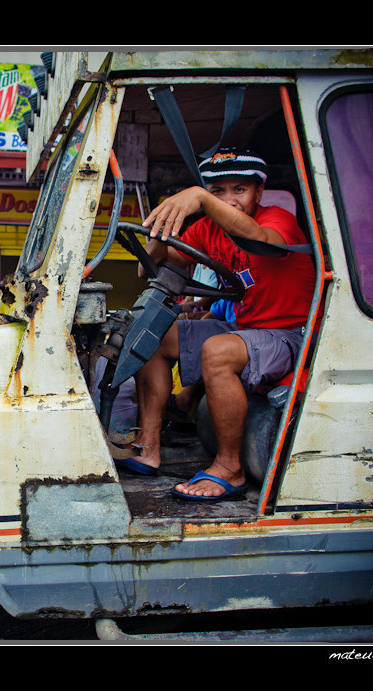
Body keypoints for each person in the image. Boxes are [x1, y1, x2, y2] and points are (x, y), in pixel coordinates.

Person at [117, 148, 315, 501]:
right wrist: (160, 232)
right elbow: (158, 266)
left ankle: (230, 468)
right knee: (151, 335)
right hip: (246, 330)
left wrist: (200, 198)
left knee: (218, 350)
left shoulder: (277, 219)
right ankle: (148, 447)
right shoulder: (208, 229)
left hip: (291, 336)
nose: (229, 199)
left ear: (259, 191)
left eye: (239, 190)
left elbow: (260, 242)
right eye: (219, 191)